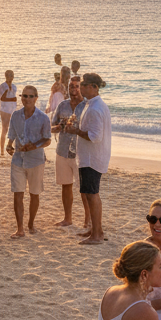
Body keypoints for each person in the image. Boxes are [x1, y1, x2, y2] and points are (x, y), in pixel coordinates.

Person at [66, 72, 111, 245]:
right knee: (88, 193)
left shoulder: (95, 108)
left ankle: (97, 234)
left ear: (94, 87)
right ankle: (95, 230)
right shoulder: (91, 104)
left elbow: (95, 136)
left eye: (84, 85)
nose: (81, 87)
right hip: (88, 157)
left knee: (92, 195)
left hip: (93, 158)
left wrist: (75, 131)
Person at [5, 85, 51, 238]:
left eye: (31, 96)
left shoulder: (43, 118)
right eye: (24, 96)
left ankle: (31, 222)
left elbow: (47, 140)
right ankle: (20, 229)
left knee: (34, 194)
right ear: (21, 98)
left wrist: (34, 146)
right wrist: (9, 146)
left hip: (36, 161)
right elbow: (11, 135)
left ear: (36, 98)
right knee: (17, 194)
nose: (27, 99)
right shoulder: (15, 115)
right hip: (18, 159)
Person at [51, 76, 87, 228]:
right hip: (63, 150)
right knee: (65, 186)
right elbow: (52, 126)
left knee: (85, 189)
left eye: (77, 86)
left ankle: (88, 220)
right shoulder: (62, 105)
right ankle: (67, 218)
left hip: (81, 153)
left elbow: (92, 130)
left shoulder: (87, 106)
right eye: (71, 86)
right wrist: (59, 127)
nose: (74, 89)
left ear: (82, 88)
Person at [0, 70, 18, 156]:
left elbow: (14, 97)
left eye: (11, 75)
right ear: (5, 76)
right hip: (5, 109)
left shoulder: (14, 86)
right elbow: (2, 98)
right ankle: (2, 151)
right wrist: (12, 99)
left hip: (12, 108)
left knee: (14, 128)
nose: (10, 77)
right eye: (9, 75)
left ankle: (14, 148)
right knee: (5, 129)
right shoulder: (3, 86)